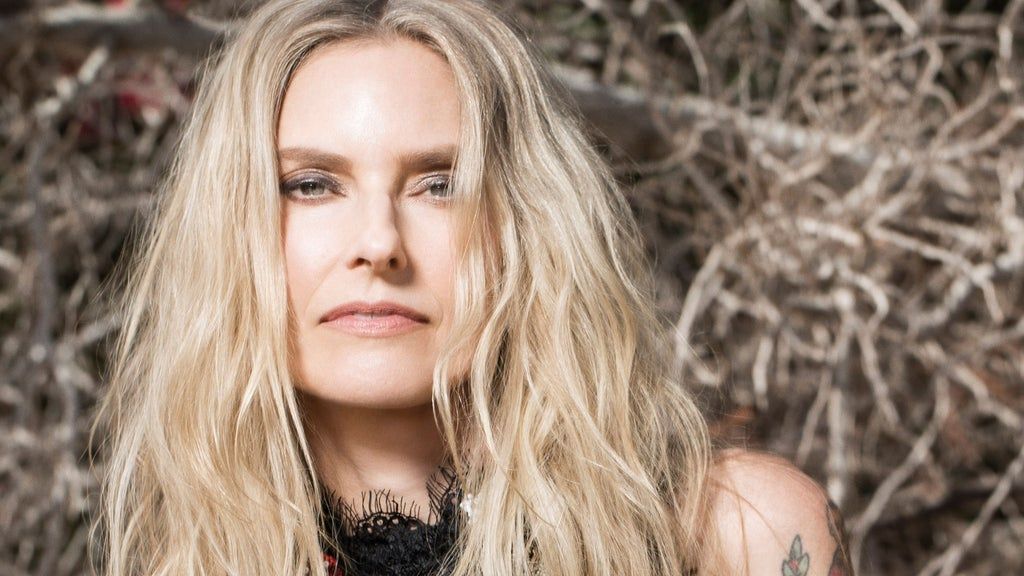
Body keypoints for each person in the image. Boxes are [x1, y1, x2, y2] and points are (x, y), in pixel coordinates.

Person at [89, 0, 854, 575]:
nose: (379, 245)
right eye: (312, 184)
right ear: (230, 230)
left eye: (441, 184)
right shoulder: (186, 555)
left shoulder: (739, 532)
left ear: (527, 224)